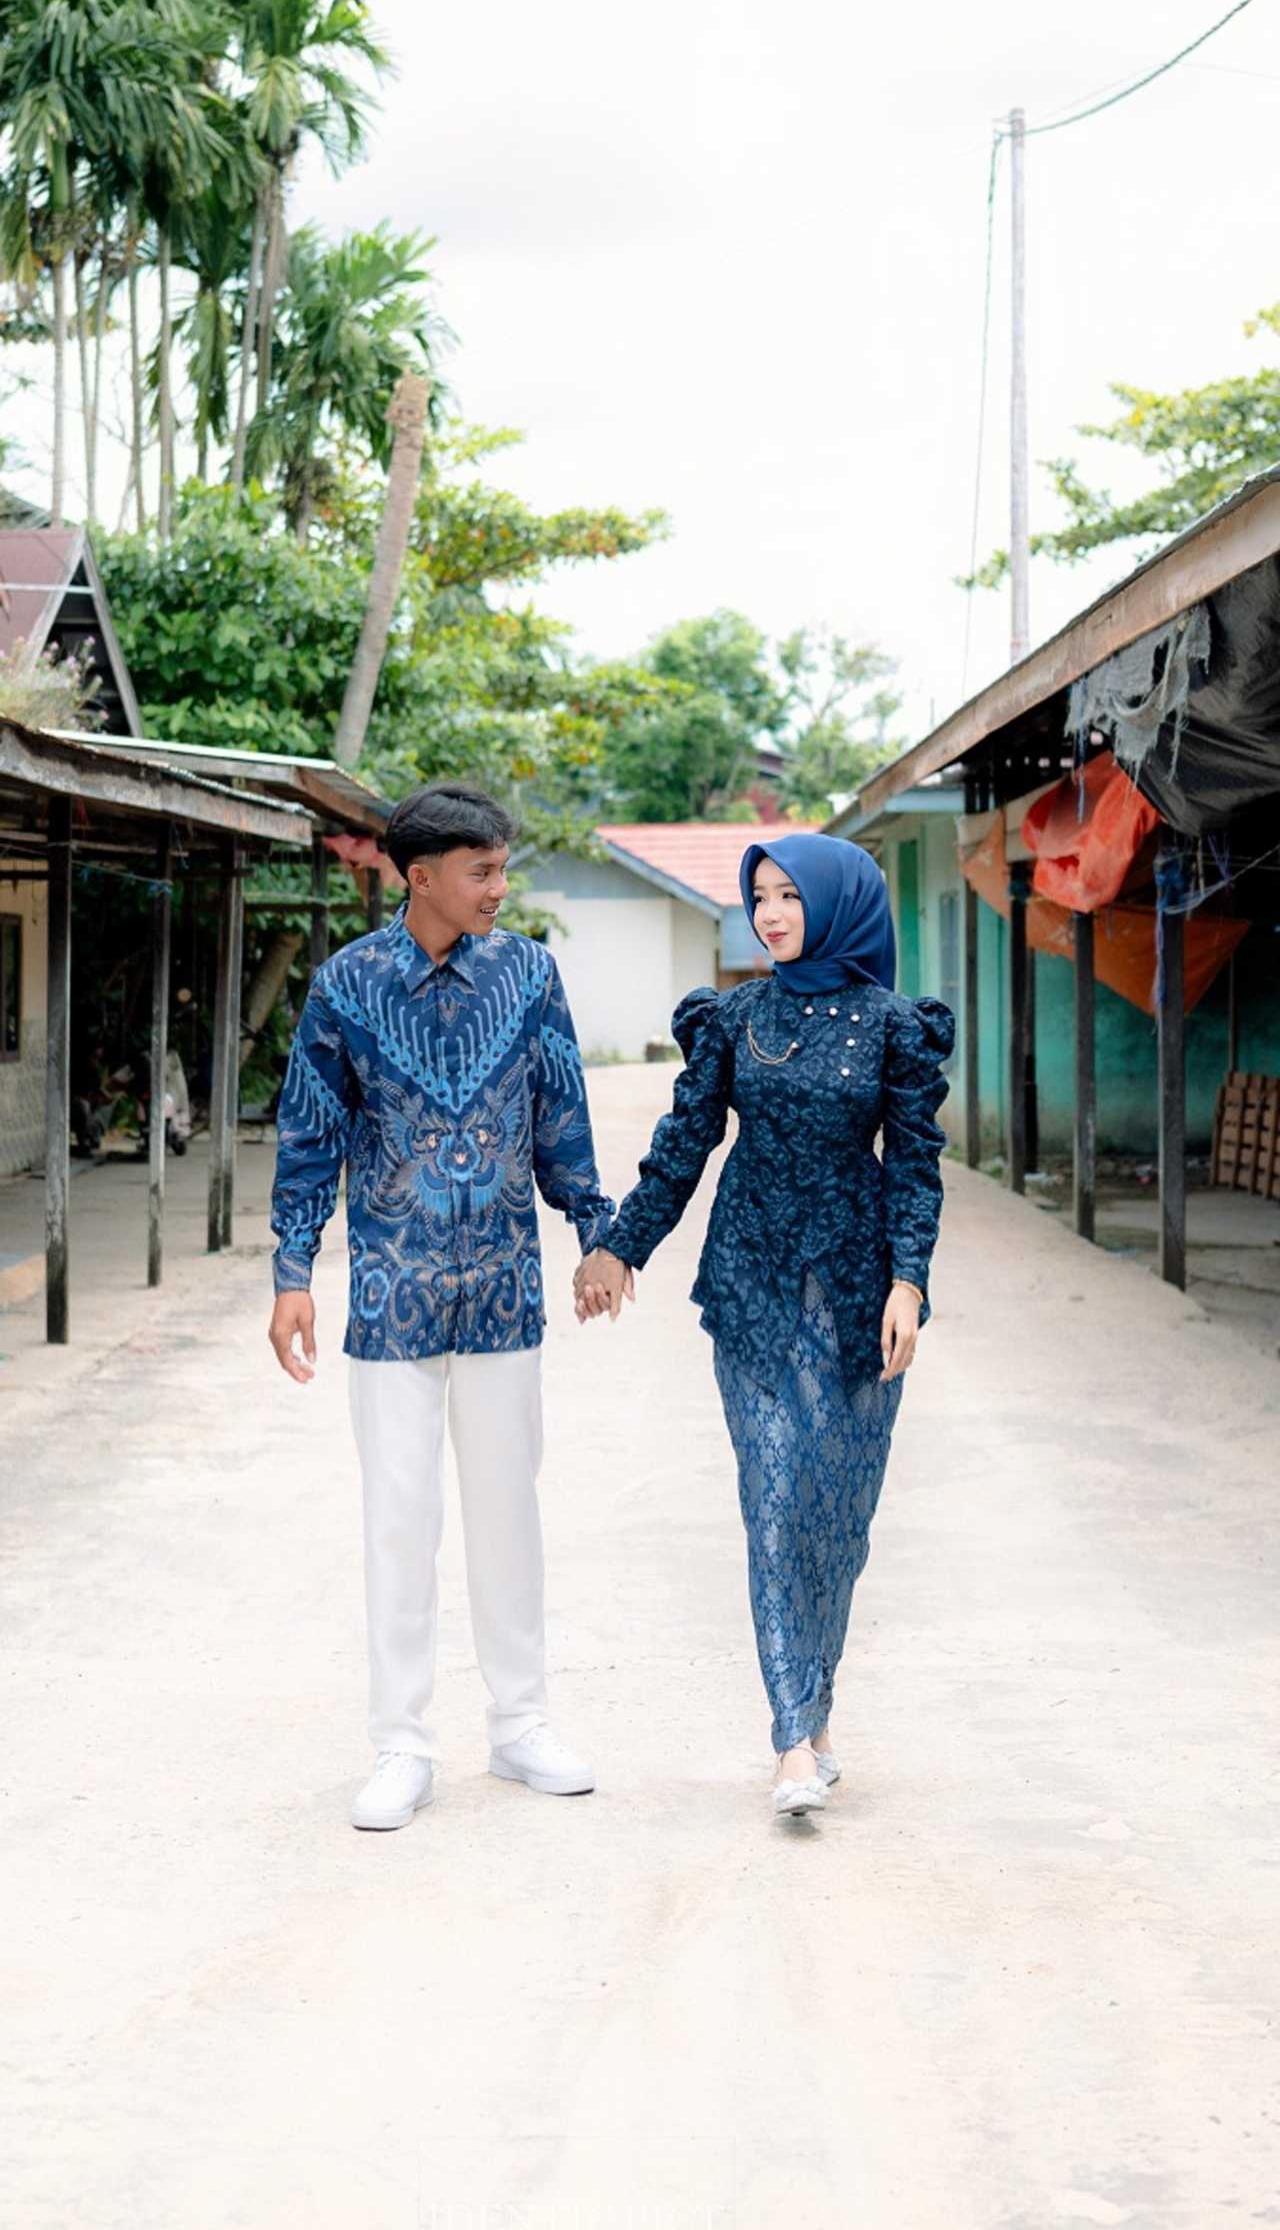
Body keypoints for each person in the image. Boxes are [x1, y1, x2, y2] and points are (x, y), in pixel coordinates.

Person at [575, 832, 954, 1819]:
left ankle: (815, 1709)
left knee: (840, 1516)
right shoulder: (734, 1019)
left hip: (858, 1290)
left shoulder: (894, 1026)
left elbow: (915, 1164)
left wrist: (909, 1282)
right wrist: (620, 1245)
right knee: (776, 1498)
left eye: (790, 895)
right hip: (750, 1281)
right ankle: (791, 1740)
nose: (771, 913)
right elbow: (683, 1143)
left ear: (837, 904)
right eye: (760, 897)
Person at [268, 782, 615, 1831]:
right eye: (482, 871)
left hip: (504, 1288)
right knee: (398, 1520)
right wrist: (292, 1270)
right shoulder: (345, 984)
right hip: (391, 1294)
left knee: (509, 1512)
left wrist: (595, 1231)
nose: (499, 887)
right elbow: (310, 1131)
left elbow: (561, 1111)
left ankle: (520, 1725)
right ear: (418, 877)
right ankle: (402, 1745)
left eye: (502, 867)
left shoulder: (529, 974)